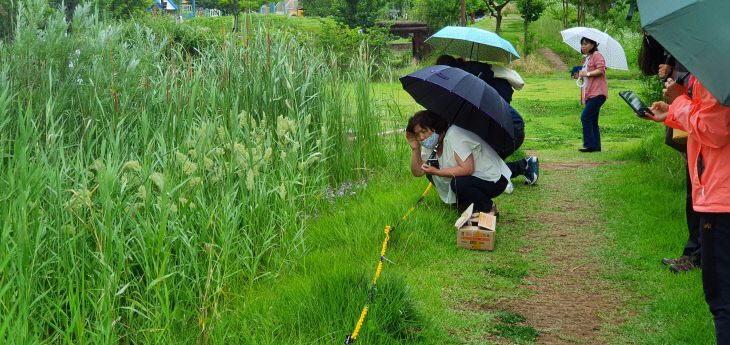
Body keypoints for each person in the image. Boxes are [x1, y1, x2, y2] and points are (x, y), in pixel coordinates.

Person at [642, 76, 730, 344]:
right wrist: (673, 114)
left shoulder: (719, 71)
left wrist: (679, 100)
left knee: (723, 299)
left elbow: (714, 129)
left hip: (721, 196)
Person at [637, 33, 700, 273]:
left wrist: (676, 89)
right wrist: (671, 111)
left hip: (705, 145)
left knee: (701, 201)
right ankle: (692, 254)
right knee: (693, 198)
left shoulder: (707, 56)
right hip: (692, 134)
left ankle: (697, 257)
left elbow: (709, 121)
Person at [435, 55, 539, 186]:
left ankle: (516, 171)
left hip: (510, 129)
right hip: (507, 124)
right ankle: (525, 165)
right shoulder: (470, 83)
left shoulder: (471, 87)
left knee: (483, 167)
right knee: (483, 165)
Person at [405, 110, 510, 215]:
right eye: (417, 135)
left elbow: (467, 169)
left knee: (458, 183)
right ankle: (465, 203)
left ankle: (489, 207)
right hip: (475, 178)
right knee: (430, 174)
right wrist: (415, 149)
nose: (422, 138)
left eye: (424, 131)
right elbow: (419, 172)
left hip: (493, 178)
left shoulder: (454, 135)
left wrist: (437, 171)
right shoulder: (432, 143)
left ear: (435, 127)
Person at [572, 37, 607, 153]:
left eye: (586, 44)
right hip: (590, 93)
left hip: (597, 93)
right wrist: (580, 75)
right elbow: (588, 75)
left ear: (593, 45)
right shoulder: (588, 58)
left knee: (585, 117)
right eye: (582, 44)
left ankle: (589, 145)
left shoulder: (597, 55)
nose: (583, 46)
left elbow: (601, 70)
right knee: (592, 120)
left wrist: (587, 73)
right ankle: (596, 146)